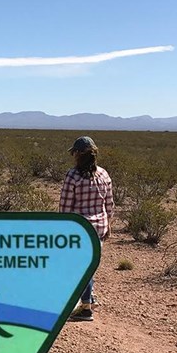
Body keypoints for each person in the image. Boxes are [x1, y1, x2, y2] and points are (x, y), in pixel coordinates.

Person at [59, 136, 114, 322]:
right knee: (90, 265)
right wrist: (109, 224)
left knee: (82, 267)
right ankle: (88, 298)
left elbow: (65, 207)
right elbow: (109, 204)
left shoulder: (73, 176)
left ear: (76, 155)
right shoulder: (104, 174)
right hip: (99, 227)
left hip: (80, 228)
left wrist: (63, 229)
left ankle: (85, 306)